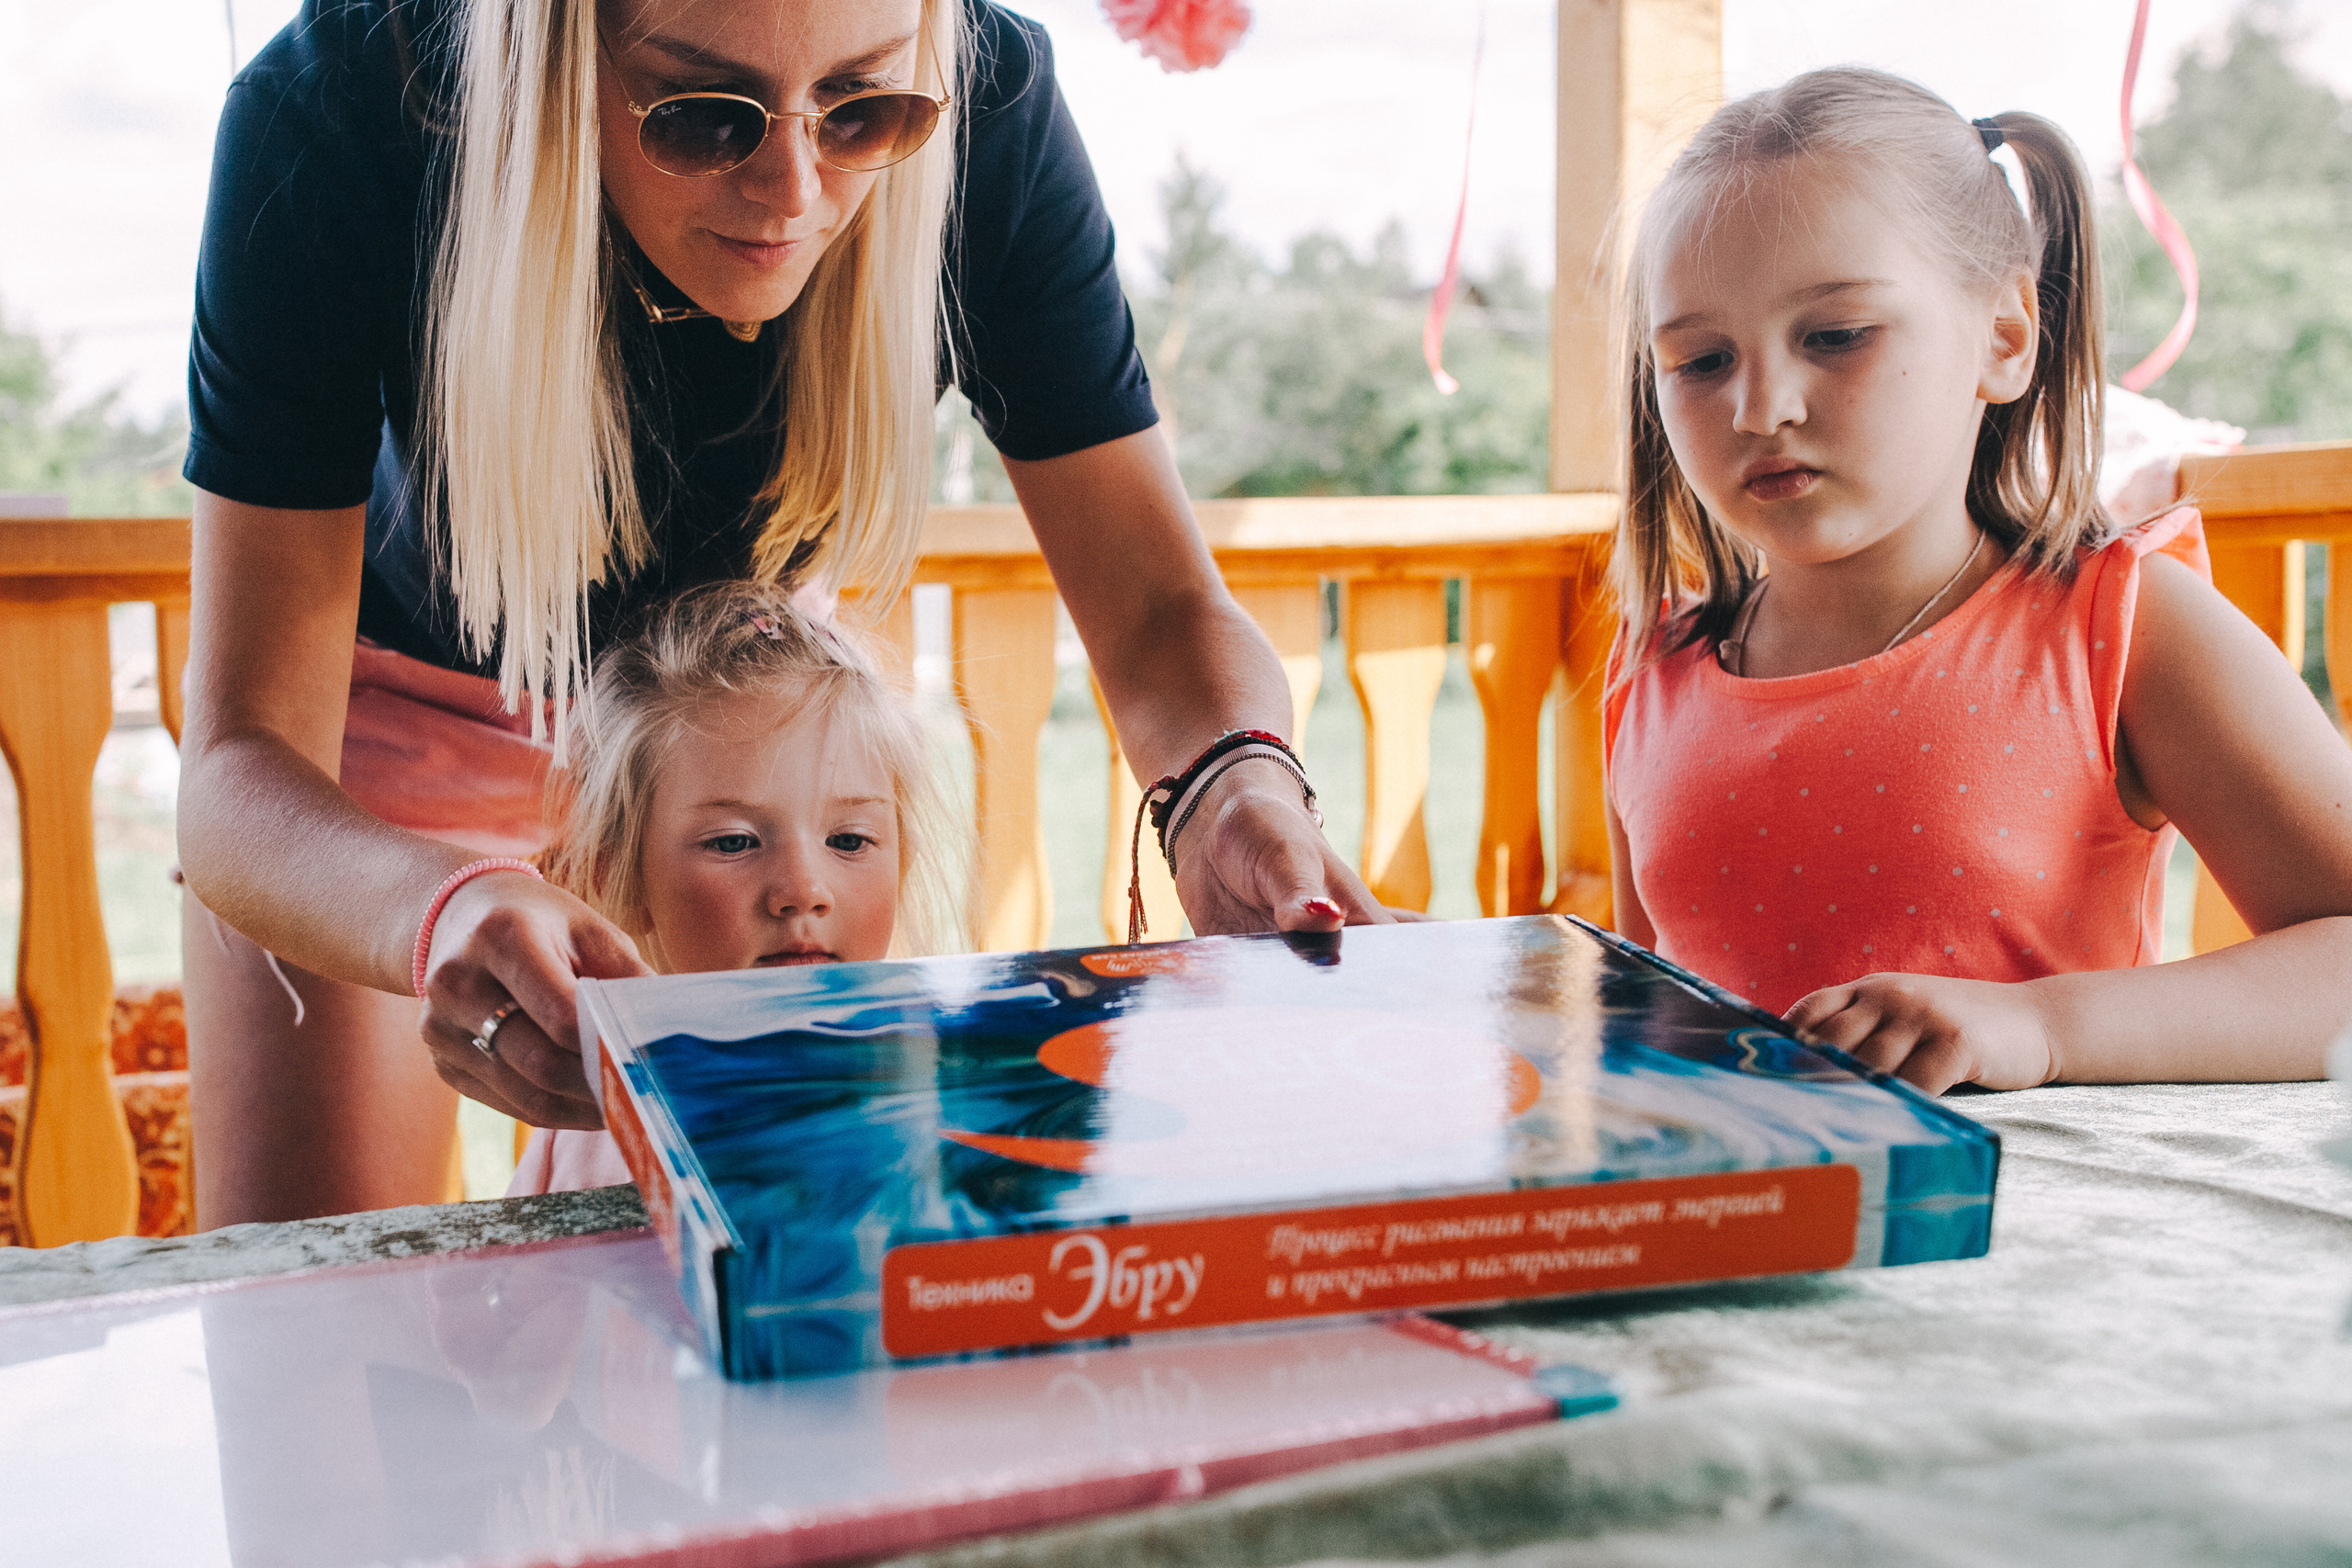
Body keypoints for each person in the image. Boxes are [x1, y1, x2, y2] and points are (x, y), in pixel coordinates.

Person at [176, 0, 1380, 1229]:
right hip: (379, 742)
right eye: (704, 116)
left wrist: (1232, 778)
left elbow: (1162, 604)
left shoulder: (993, 103)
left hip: (738, 728)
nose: (793, 193)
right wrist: (433, 906)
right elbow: (236, 767)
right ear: (558, 52)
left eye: (864, 110)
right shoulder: (338, 107)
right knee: (301, 1317)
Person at [1602, 68, 2352, 1093]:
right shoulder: (1654, 667)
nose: (1760, 405)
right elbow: (1652, 1008)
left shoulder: (2120, 628)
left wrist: (2040, 1026)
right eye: (1700, 360)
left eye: (1833, 336)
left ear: (2003, 339)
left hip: (2046, 1239)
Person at [505, 583, 959, 1194]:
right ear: (618, 874)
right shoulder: (592, 1123)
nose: (803, 889)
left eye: (849, 841)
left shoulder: (940, 1103)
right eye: (734, 842)